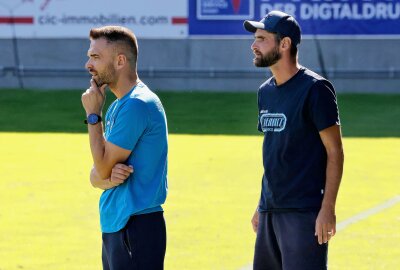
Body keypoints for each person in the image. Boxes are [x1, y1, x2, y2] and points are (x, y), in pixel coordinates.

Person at [243, 11, 344, 270]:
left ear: (284, 44)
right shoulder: (265, 92)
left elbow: (335, 152)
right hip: (270, 211)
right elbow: (276, 153)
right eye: (255, 39)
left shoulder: (315, 89)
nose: (254, 45)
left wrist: (328, 209)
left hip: (304, 213)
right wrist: (261, 204)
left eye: (262, 39)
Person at [81, 25, 168, 270]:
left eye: (96, 57)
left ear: (120, 60)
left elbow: (102, 166)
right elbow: (96, 176)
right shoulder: (121, 105)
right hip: (118, 225)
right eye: (89, 56)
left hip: (136, 226)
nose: (88, 64)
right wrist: (106, 178)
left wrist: (93, 116)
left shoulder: (137, 105)